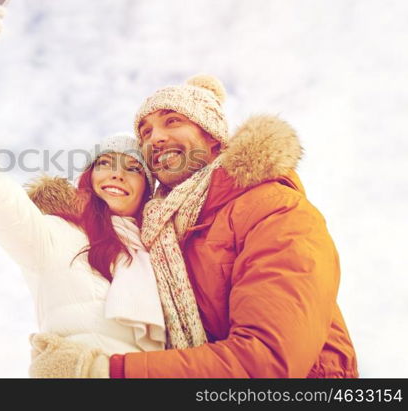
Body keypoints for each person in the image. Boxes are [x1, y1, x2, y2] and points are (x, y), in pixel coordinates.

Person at [0, 1, 207, 376]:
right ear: (88, 178)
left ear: (147, 188)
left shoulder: (166, 256)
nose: (117, 175)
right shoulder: (52, 235)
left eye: (133, 168)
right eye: (105, 163)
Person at [30, 75, 359, 378]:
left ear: (213, 137)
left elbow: (268, 360)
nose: (155, 138)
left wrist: (100, 372)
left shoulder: (273, 208)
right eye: (145, 132)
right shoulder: (162, 237)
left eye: (172, 121)